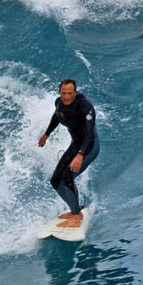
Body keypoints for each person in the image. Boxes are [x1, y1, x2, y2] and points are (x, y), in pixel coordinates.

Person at [37, 79, 100, 228]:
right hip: (76, 144)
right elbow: (57, 116)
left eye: (69, 93)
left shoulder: (85, 107)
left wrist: (80, 155)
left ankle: (76, 216)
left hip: (89, 146)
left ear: (75, 92)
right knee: (55, 181)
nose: (66, 97)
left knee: (67, 177)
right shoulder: (58, 102)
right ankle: (75, 210)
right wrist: (47, 134)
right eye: (63, 93)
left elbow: (90, 134)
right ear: (60, 92)